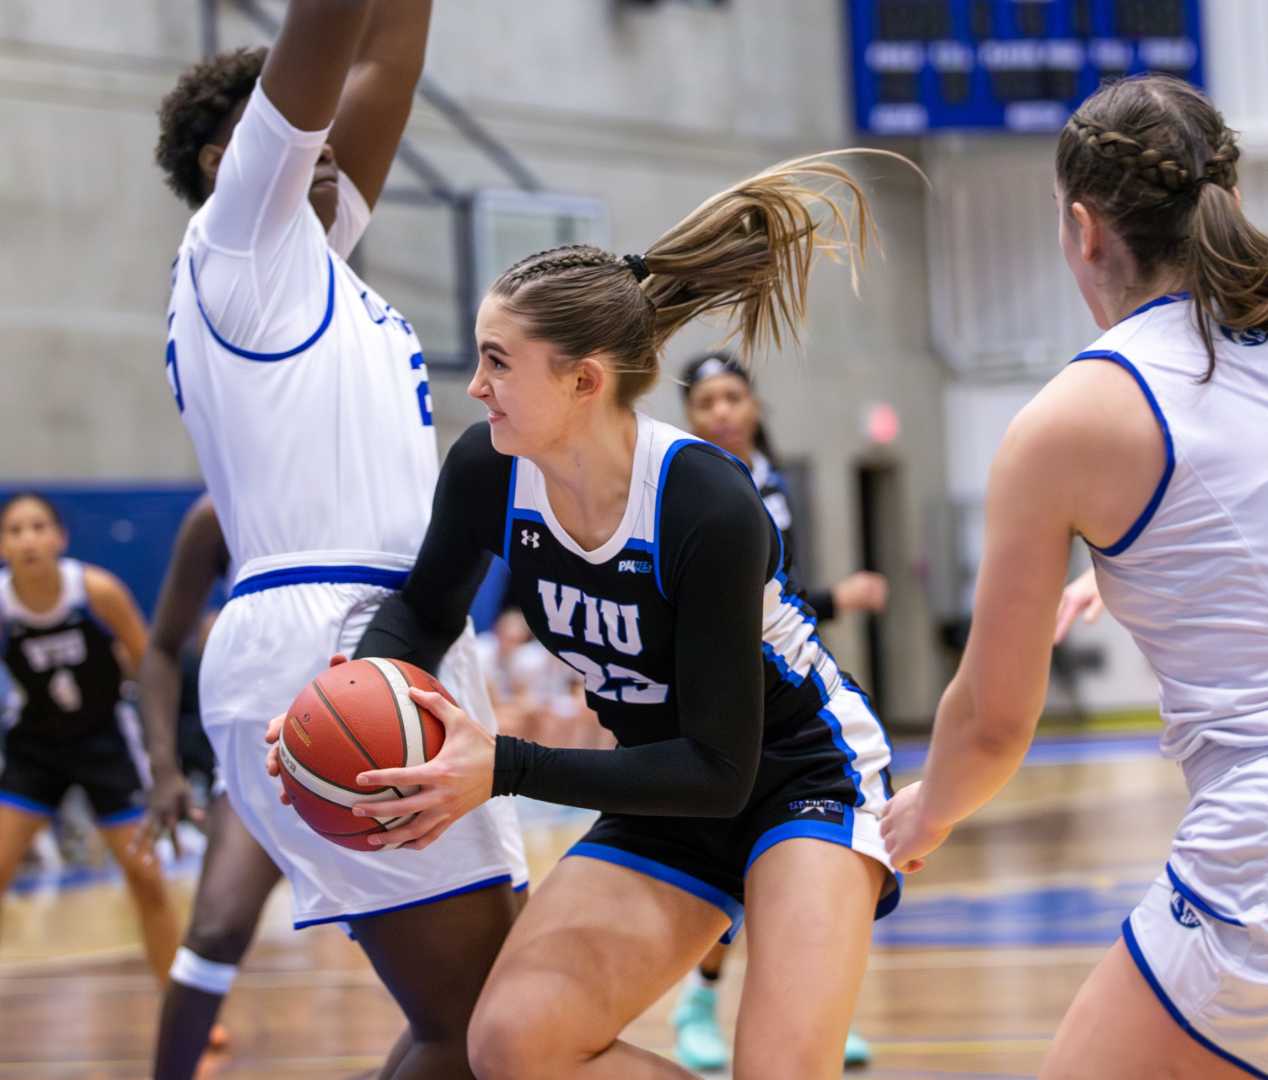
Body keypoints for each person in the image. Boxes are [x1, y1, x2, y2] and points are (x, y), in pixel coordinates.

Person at [279, 150, 906, 1079]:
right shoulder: (490, 469)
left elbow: (724, 770)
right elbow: (423, 612)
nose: (477, 384)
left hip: (797, 776)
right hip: (665, 785)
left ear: (584, 380)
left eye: (498, 361)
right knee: (513, 1046)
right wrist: (341, 705)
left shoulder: (704, 504)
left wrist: (507, 767)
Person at [155, 3, 527, 1076]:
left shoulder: (313, 262)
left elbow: (385, 63)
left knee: (491, 1018)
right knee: (475, 1026)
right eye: (297, 129)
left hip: (392, 627)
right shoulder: (241, 241)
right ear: (236, 158)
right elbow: (328, 34)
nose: (331, 146)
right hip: (329, 637)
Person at [881, 74, 1268, 1079]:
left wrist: (923, 812)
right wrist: (1135, 570)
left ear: (1082, 229)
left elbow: (992, 722)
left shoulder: (1075, 414)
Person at [673, 350, 886, 1070]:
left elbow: (773, 606)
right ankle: (695, 1008)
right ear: (691, 416)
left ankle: (808, 1011)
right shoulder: (685, 486)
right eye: (707, 402)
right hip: (708, 704)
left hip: (777, 695)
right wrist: (839, 599)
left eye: (733, 397)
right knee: (724, 867)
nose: (722, 412)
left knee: (796, 862)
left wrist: (821, 605)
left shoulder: (770, 483)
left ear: (755, 405)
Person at [0, 493, 181, 982]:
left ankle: (179, 1007)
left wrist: (165, 760)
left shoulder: (96, 591)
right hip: (34, 749)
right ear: (3, 545)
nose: (27, 539)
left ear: (59, 537)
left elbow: (150, 663)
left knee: (145, 877)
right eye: (15, 530)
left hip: (104, 745)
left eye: (38, 527)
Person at [133, 495, 283, 1078]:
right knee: (215, 930)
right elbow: (160, 650)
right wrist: (164, 769)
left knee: (430, 989)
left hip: (375, 760)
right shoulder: (217, 513)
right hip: (256, 760)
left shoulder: (373, 476)